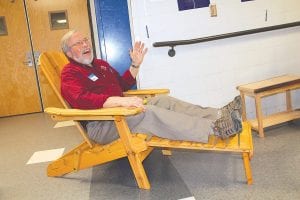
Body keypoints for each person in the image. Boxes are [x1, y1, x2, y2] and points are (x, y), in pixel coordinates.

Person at [60, 30, 242, 145]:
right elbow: (81, 99)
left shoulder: (100, 64)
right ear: (68, 52)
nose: (86, 44)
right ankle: (214, 129)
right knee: (146, 112)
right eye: (78, 43)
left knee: (163, 100)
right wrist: (121, 102)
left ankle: (218, 114)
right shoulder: (69, 73)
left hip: (121, 115)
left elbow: (122, 84)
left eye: (86, 40)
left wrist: (136, 64)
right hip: (103, 124)